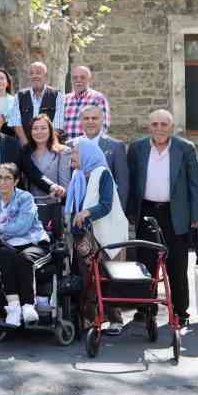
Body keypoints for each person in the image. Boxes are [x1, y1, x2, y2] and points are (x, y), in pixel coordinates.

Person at [126, 109, 198, 327]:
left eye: (164, 124)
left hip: (175, 213)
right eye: (155, 124)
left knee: (177, 264)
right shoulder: (137, 148)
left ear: (171, 127)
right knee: (145, 263)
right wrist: (130, 212)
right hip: (147, 212)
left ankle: (180, 310)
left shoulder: (185, 148)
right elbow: (131, 181)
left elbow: (195, 184)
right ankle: (145, 308)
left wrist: (196, 216)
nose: (159, 128)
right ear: (149, 126)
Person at [0, 163, 50, 327]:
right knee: (4, 255)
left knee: (23, 258)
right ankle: (14, 307)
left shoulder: (26, 198)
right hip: (7, 245)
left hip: (33, 242)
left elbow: (21, 227)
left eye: (7, 178)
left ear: (16, 181)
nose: (2, 182)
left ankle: (28, 305)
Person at [65, 139, 125, 332]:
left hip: (106, 235)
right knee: (89, 278)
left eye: (75, 152)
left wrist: (86, 212)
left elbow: (106, 205)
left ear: (87, 155)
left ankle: (115, 319)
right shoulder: (78, 176)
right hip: (85, 236)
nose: (72, 156)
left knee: (108, 276)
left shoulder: (102, 173)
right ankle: (91, 318)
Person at [77, 105, 130, 211]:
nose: (90, 122)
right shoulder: (71, 145)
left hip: (105, 207)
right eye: (86, 118)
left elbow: (122, 184)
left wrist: (119, 211)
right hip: (78, 206)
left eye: (94, 118)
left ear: (102, 121)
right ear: (81, 121)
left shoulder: (116, 146)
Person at [25, 115, 72, 229]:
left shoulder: (63, 152)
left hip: (53, 209)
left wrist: (58, 192)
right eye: (35, 128)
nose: (39, 132)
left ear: (50, 130)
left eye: (43, 128)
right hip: (29, 210)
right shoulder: (25, 152)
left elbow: (65, 186)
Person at [9, 61, 66, 145]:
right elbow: (16, 122)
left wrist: (45, 146)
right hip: (25, 145)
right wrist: (26, 145)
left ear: (45, 76)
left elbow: (58, 124)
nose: (34, 76)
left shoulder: (57, 95)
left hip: (49, 145)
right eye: (31, 73)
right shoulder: (20, 95)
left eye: (38, 73)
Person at [62, 65, 111, 141]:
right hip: (66, 146)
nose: (78, 80)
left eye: (82, 77)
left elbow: (104, 125)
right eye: (75, 77)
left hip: (89, 145)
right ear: (71, 80)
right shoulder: (64, 100)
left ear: (89, 79)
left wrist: (89, 144)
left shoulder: (98, 98)